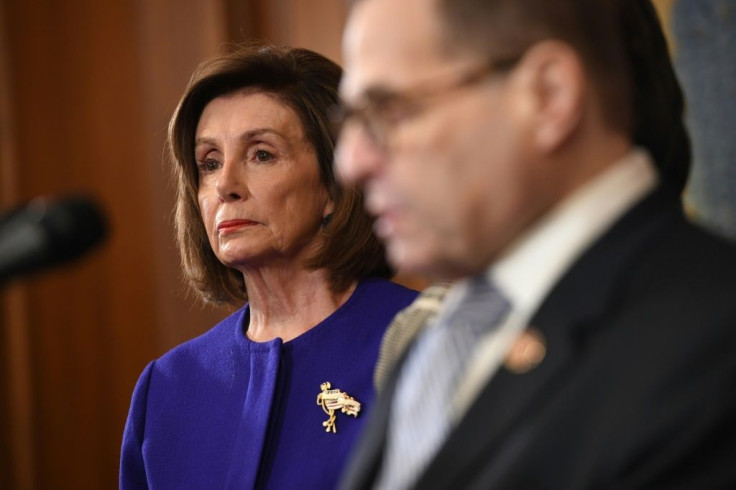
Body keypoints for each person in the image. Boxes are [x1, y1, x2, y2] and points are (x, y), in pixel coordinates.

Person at [334, 0, 736, 488]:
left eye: (389, 110)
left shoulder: (710, 342)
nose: (350, 163)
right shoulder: (443, 328)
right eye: (351, 118)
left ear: (549, 95)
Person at [119, 44, 417, 489]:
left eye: (261, 154)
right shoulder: (167, 388)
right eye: (210, 163)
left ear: (335, 183)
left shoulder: (420, 341)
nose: (225, 185)